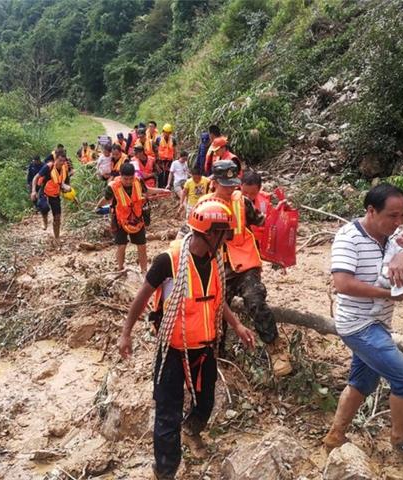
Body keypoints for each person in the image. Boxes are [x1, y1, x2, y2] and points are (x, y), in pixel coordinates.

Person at [118, 199, 257, 480]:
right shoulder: (168, 261)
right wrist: (126, 332)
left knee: (205, 403)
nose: (225, 238)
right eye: (221, 233)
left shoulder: (215, 262)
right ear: (208, 232)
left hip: (203, 348)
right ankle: (166, 470)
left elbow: (217, 301)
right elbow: (143, 295)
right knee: (167, 412)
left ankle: (191, 429)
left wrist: (238, 325)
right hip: (171, 348)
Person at [323, 183, 403, 467]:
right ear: (371, 211)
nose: (399, 223)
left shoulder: (395, 236)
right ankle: (401, 438)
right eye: (392, 216)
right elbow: (343, 283)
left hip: (380, 322)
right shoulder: (349, 237)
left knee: (363, 381)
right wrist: (389, 293)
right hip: (358, 325)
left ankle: (335, 437)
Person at [201, 160, 292, 377]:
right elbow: (189, 236)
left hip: (245, 263)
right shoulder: (203, 206)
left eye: (233, 184)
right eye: (226, 185)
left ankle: (276, 349)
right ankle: (217, 353)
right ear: (214, 183)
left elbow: (262, 222)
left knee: (255, 298)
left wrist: (279, 213)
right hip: (218, 266)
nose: (231, 189)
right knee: (215, 309)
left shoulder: (242, 202)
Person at [95, 163, 170, 274]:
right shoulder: (113, 186)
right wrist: (97, 206)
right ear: (120, 175)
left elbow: (147, 190)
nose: (129, 181)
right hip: (120, 220)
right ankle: (120, 269)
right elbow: (106, 199)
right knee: (121, 245)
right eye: (126, 179)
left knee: (142, 245)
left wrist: (162, 191)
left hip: (137, 219)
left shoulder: (138, 181)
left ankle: (144, 270)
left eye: (131, 178)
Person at [30, 153, 71, 245]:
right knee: (44, 207)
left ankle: (57, 237)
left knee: (57, 217)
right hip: (44, 192)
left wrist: (66, 189)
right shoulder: (48, 167)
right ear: (55, 159)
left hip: (55, 194)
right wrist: (33, 191)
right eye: (60, 160)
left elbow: (65, 183)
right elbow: (35, 178)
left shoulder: (64, 169)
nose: (62, 163)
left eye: (63, 161)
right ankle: (45, 220)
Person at [240, 171, 272, 246]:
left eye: (252, 193)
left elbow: (270, 221)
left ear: (259, 189)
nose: (248, 196)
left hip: (259, 243)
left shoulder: (265, 201)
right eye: (245, 192)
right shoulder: (233, 200)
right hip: (241, 243)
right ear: (240, 186)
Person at [155, 123, 177, 188]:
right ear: (163, 131)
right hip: (160, 159)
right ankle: (160, 187)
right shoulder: (158, 139)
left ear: (170, 132)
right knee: (160, 173)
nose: (167, 134)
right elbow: (156, 150)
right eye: (165, 132)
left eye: (168, 132)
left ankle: (166, 187)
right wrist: (156, 160)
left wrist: (174, 159)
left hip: (169, 159)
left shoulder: (173, 139)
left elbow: (175, 150)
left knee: (168, 173)